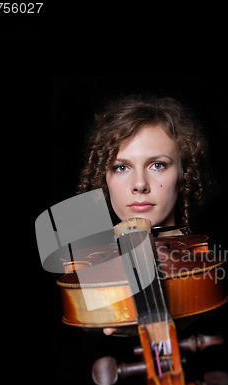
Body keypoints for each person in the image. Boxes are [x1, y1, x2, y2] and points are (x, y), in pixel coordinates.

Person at [76, 94, 213, 336]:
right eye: (121, 167)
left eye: (157, 165)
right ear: (104, 179)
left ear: (183, 176)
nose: (139, 184)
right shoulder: (87, 279)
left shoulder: (209, 274)